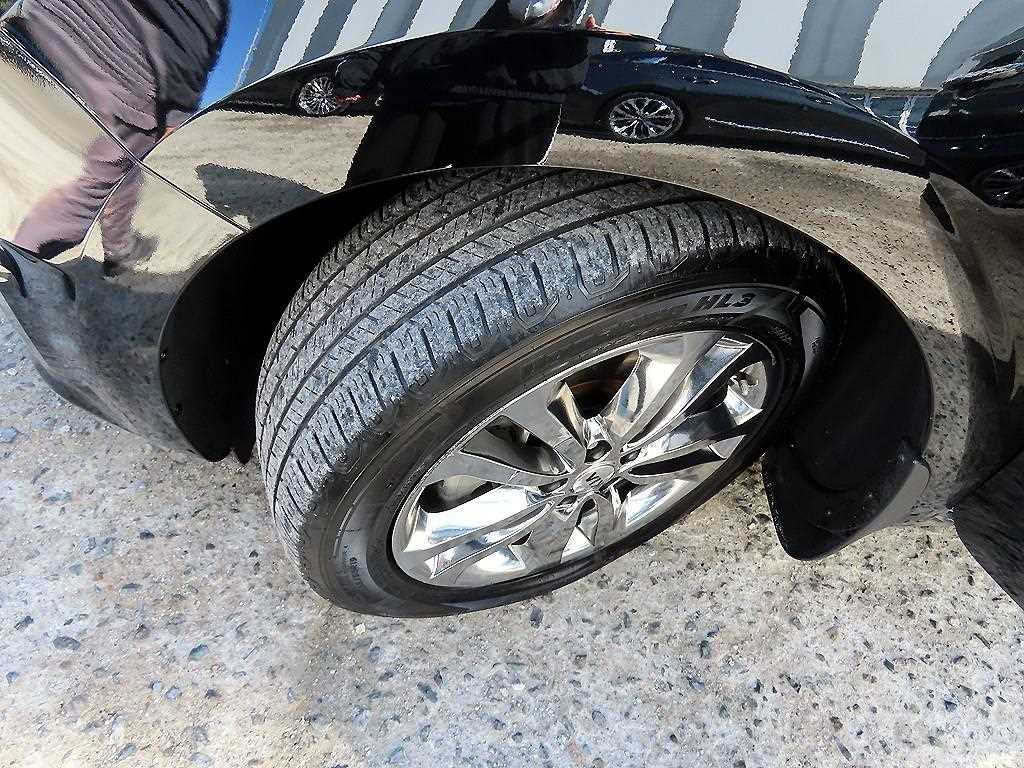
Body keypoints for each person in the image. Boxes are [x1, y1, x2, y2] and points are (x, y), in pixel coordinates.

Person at [11, 0, 228, 270]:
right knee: (105, 179)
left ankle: (116, 247)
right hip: (118, 69)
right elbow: (189, 44)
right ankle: (116, 251)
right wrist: (176, 115)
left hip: (34, 25)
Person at [337, 0, 592, 187]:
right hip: (427, 89)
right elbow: (401, 26)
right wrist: (361, 70)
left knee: (488, 202)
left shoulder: (569, 29)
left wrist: (581, 39)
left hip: (519, 101)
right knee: (377, 188)